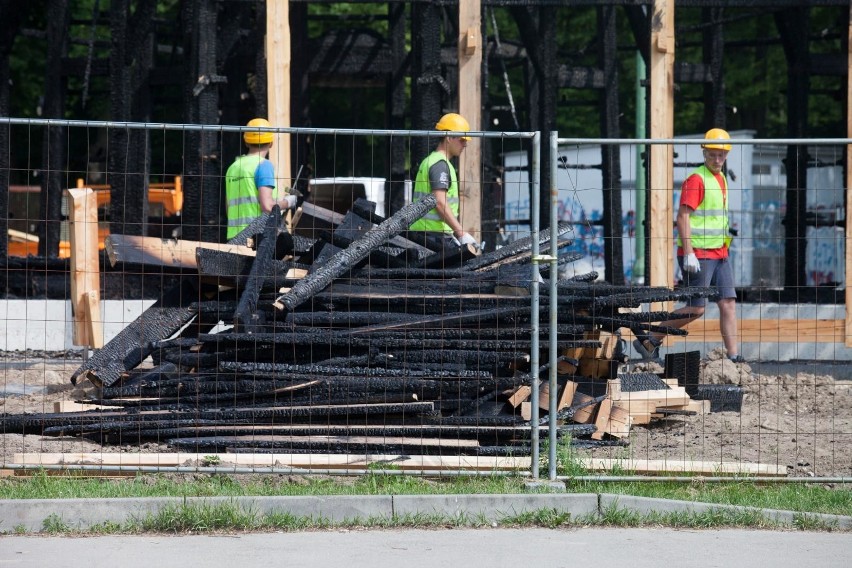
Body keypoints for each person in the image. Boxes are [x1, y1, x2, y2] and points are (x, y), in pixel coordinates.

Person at [634, 128, 742, 362]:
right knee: (696, 308)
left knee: (728, 303)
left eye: (721, 155)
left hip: (720, 253)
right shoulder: (696, 179)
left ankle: (734, 357)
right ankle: (650, 338)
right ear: (704, 152)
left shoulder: (721, 178)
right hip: (699, 254)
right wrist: (689, 253)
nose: (717, 159)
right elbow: (682, 216)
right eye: (712, 154)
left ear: (726, 155)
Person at [409, 112, 478, 249]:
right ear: (448, 137)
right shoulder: (440, 165)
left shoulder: (430, 161)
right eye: (462, 140)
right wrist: (461, 233)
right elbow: (440, 202)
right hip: (434, 237)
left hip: (426, 234)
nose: (465, 144)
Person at [225, 118, 298, 239]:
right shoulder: (264, 165)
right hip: (256, 238)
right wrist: (288, 202)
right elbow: (267, 206)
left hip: (234, 237)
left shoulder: (232, 168)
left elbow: (229, 209)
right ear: (271, 142)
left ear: (246, 142)